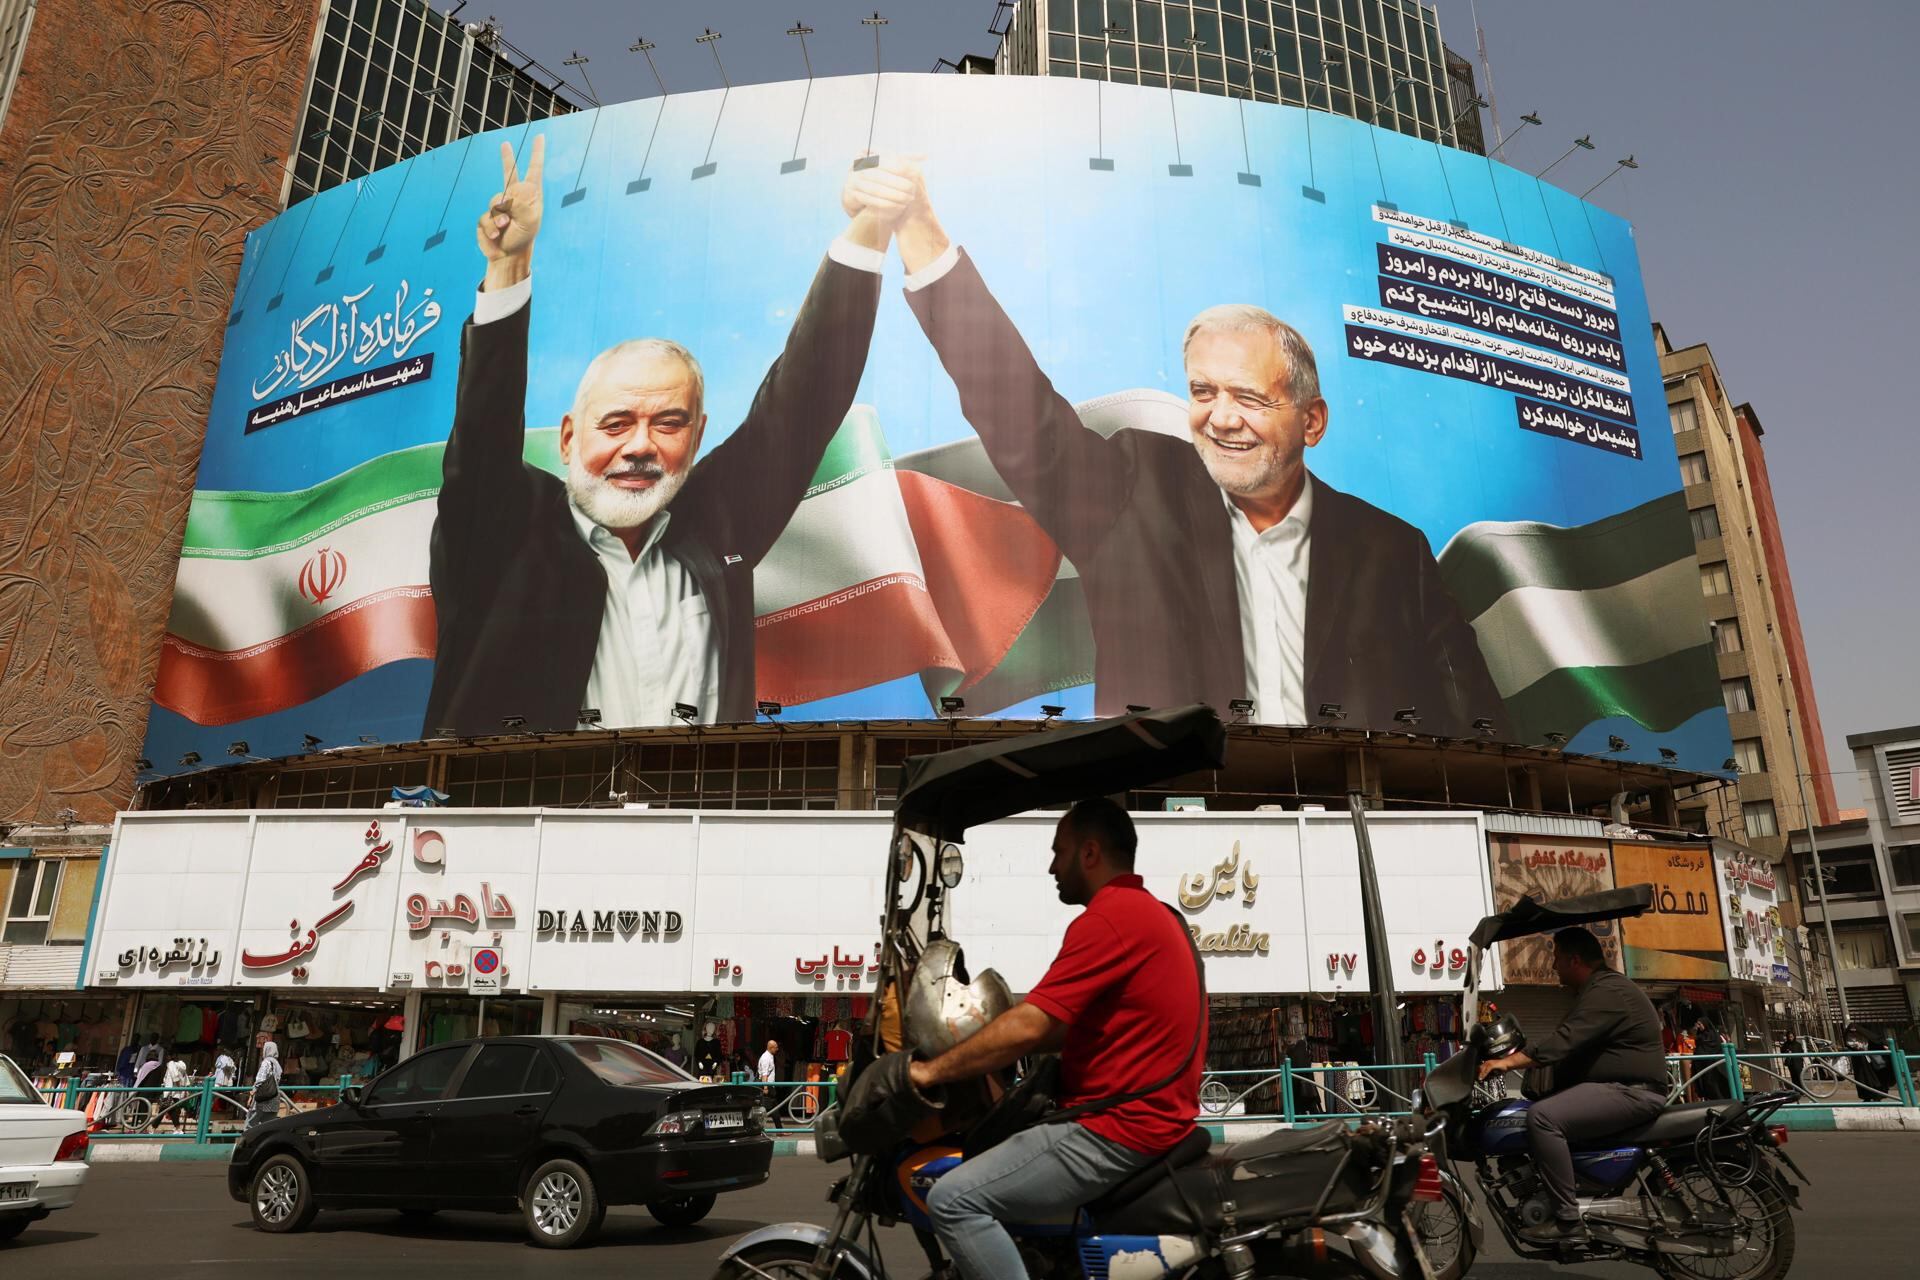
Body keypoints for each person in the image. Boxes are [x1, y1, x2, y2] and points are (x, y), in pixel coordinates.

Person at [845, 162, 1508, 736]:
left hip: (1357, 833)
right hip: (1179, 837)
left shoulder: (1394, 554)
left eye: (1249, 398)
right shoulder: (1137, 492)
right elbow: (1019, 412)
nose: (1221, 419)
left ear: (1313, 422)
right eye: (1202, 392)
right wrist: (921, 233)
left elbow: (1476, 725)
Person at [423, 137, 901, 736]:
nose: (641, 446)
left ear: (697, 438)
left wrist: (870, 230)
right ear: (569, 438)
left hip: (698, 820)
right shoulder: (503, 527)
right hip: (528, 822)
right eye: (617, 423)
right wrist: (508, 269)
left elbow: (802, 404)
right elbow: (483, 433)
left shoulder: (717, 524)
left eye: (668, 424)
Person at [908, 799, 1204, 1280]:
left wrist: (928, 1071)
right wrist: (984, 1047)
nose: (1051, 867)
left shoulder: (1110, 919)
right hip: (1147, 1117)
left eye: (1058, 852)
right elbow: (1065, 1029)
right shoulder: (1150, 913)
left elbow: (1032, 1024)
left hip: (1116, 1127)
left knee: (952, 1199)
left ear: (1090, 854)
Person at [1476, 926, 1665, 1245]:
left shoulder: (1606, 992)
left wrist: (1507, 1062)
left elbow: (1565, 1041)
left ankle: (1567, 1219)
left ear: (1575, 960)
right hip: (1618, 1087)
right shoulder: (1598, 990)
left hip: (1632, 1090)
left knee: (1543, 1118)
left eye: (1557, 958)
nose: (1553, 965)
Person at [246, 1041, 283, 1131]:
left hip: (262, 1099)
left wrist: (252, 1093)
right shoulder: (277, 1064)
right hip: (274, 1098)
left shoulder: (266, 1062)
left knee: (250, 1124)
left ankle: (246, 1143)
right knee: (268, 1126)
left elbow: (260, 1080)